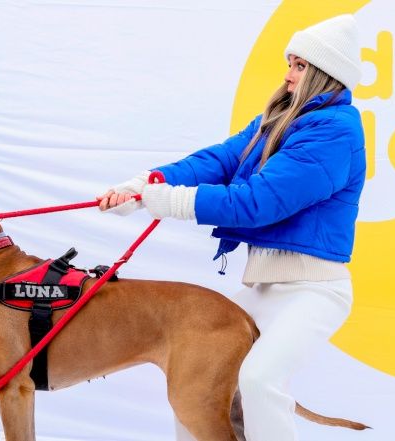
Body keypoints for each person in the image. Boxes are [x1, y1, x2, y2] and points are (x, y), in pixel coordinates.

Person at [98, 14, 365, 441]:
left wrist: (171, 202)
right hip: (265, 288)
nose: (288, 73)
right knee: (199, 374)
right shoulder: (279, 121)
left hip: (314, 292)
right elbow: (219, 160)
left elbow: (261, 202)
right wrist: (146, 183)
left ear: (322, 73)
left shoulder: (335, 133)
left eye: (299, 65)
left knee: (260, 382)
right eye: (290, 63)